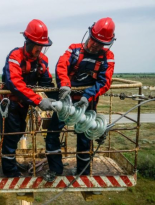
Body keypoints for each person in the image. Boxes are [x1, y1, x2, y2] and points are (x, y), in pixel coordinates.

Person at [44, 17, 116, 181]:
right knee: (53, 133)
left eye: (100, 43)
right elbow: (62, 65)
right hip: (66, 103)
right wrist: (65, 85)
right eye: (94, 40)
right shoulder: (74, 50)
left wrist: (87, 96)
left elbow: (105, 81)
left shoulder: (107, 57)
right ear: (89, 34)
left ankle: (83, 172)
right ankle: (55, 169)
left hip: (86, 104)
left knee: (85, 138)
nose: (95, 45)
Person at [0, 19, 56, 177]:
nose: (41, 49)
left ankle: (11, 163)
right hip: (10, 104)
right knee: (10, 137)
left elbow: (46, 83)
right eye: (38, 45)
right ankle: (10, 171)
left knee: (18, 133)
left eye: (43, 46)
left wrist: (60, 98)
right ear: (28, 42)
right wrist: (39, 101)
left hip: (25, 103)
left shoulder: (42, 61)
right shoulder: (15, 56)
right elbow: (15, 84)